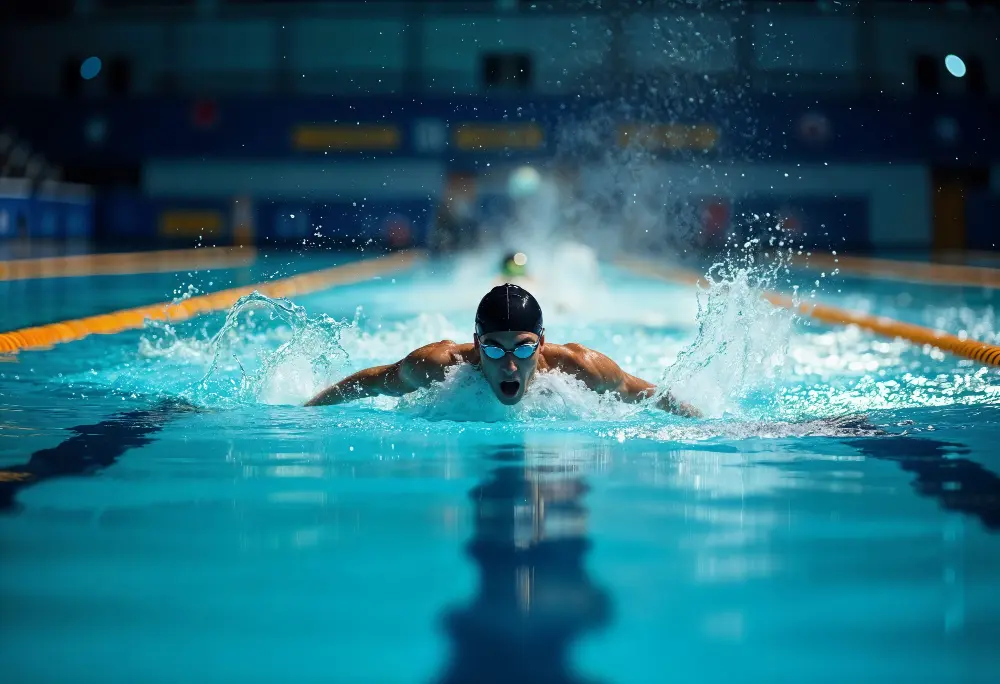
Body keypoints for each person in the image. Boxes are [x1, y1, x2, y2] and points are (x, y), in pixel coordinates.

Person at [306, 283, 700, 417]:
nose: (510, 364)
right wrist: (306, 412)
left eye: (524, 349)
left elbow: (644, 394)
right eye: (494, 350)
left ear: (542, 343)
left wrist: (705, 422)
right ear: (477, 344)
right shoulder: (437, 366)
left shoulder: (582, 368)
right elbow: (374, 383)